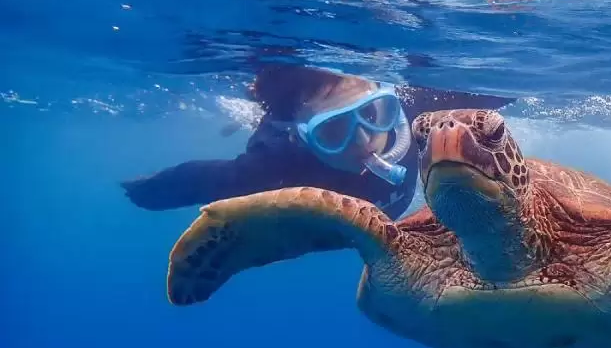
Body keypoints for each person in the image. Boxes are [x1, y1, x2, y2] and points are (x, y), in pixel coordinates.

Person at [120, 64, 516, 217]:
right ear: (306, 138)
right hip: (281, 130)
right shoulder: (277, 168)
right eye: (332, 131)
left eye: (374, 114)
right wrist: (150, 190)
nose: (364, 140)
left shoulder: (424, 112)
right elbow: (200, 179)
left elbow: (506, 87)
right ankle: (256, 117)